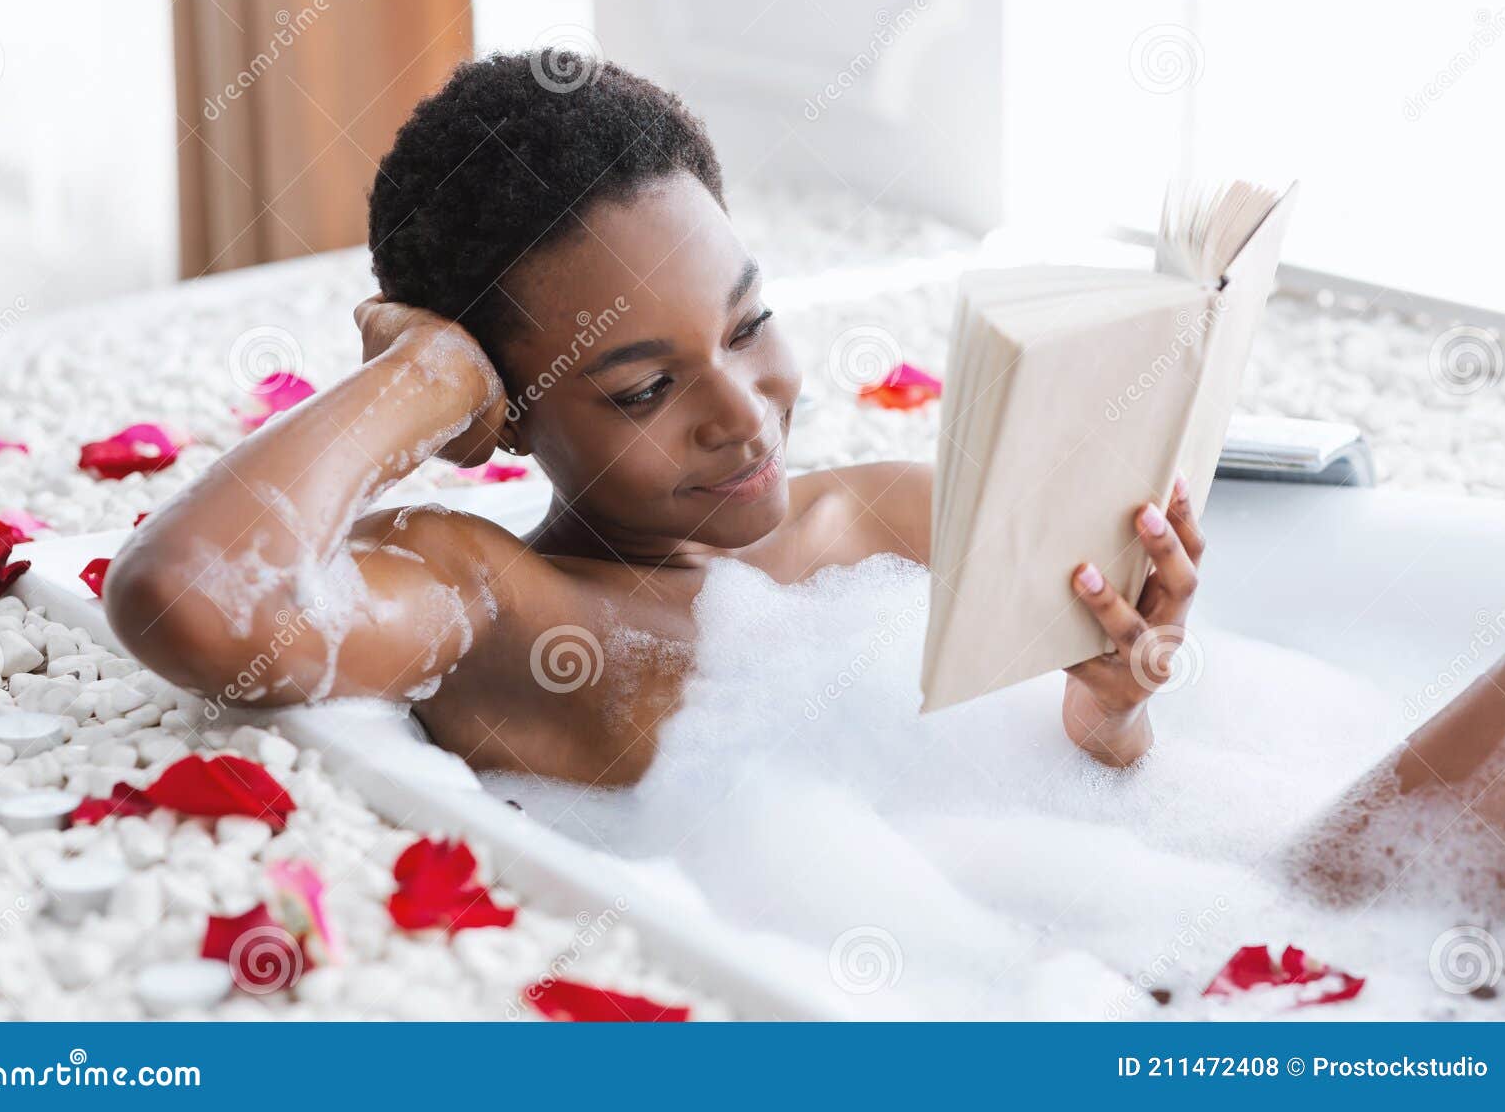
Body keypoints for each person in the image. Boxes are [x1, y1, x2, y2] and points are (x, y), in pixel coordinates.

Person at [104, 53, 1202, 785]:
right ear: (509, 413)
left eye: (748, 323)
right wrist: (430, 369)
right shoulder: (496, 607)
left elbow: (1095, 812)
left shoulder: (894, 517)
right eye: (641, 389)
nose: (740, 413)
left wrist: (1108, 713)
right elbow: (193, 601)